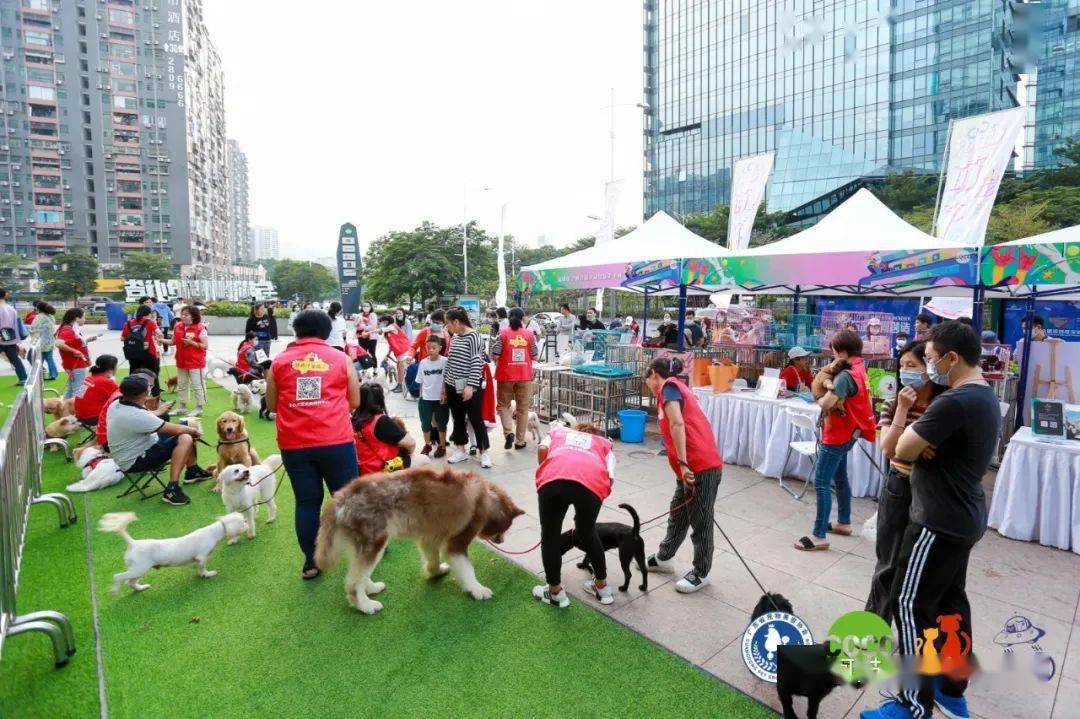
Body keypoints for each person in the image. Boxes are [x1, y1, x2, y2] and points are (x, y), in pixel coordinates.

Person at [862, 322, 1001, 719]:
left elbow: (901, 448)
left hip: (937, 519)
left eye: (929, 358)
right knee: (949, 604)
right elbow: (905, 448)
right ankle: (951, 687)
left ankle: (911, 704)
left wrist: (918, 444)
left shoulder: (953, 402)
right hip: (963, 515)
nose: (926, 365)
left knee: (910, 604)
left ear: (951, 358)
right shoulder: (983, 396)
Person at [266, 308, 361, 580]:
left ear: (296, 331)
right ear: (327, 331)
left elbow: (272, 405)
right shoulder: (341, 359)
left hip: (294, 443)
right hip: (336, 440)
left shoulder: (280, 362)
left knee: (307, 502)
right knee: (347, 499)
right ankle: (362, 548)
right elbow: (354, 401)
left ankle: (311, 561)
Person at [865, 341, 942, 623]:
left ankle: (912, 627)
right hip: (899, 485)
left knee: (920, 566)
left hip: (932, 492)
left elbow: (942, 450)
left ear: (929, 369)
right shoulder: (892, 401)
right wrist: (902, 410)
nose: (906, 372)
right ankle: (874, 626)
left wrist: (909, 446)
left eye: (913, 366)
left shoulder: (942, 404)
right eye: (902, 367)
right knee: (888, 562)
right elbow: (888, 448)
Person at [643, 356, 724, 593]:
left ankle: (701, 572)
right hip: (688, 468)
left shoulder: (669, 388)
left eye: (647, 379)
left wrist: (683, 462)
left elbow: (677, 424)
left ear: (654, 375)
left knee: (701, 521)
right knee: (678, 512)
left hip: (699, 466)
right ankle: (665, 557)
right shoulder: (678, 388)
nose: (647, 384)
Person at [795, 329, 875, 552]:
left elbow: (827, 403)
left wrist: (819, 396)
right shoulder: (859, 368)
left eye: (832, 352)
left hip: (838, 433)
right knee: (840, 477)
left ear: (841, 352)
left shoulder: (845, 375)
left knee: (821, 482)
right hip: (849, 432)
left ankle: (819, 535)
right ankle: (843, 522)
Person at [532, 423, 616, 608]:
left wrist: (547, 470)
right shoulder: (604, 444)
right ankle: (602, 588)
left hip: (554, 479)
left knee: (550, 534)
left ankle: (555, 592)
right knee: (588, 531)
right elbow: (610, 477)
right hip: (591, 485)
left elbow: (543, 448)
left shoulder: (558, 432)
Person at [106, 375, 211, 506]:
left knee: (186, 428)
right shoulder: (135, 415)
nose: (151, 389)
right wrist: (194, 432)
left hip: (130, 452)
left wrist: (160, 411)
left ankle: (193, 471)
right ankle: (172, 489)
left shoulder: (118, 403)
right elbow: (177, 430)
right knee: (186, 436)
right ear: (143, 393)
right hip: (136, 460)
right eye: (149, 387)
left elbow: (144, 419)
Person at [443, 306, 491, 468]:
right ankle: (460, 450)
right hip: (452, 384)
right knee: (457, 418)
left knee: (476, 419)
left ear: (456, 322)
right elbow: (450, 360)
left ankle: (483, 452)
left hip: (469, 386)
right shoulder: (455, 336)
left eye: (447, 324)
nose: (446, 327)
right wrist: (444, 385)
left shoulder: (474, 337)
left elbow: (476, 362)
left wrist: (470, 386)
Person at [493, 307, 538, 451]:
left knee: (503, 405)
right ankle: (520, 441)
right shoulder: (529, 334)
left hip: (505, 375)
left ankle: (508, 433)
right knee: (523, 409)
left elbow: (495, 354)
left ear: (508, 317)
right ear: (522, 318)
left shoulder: (502, 334)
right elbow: (535, 356)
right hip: (524, 376)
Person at [352, 382, 416, 474]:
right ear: (380, 399)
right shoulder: (380, 420)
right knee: (424, 460)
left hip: (363, 470)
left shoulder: (352, 420)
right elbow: (411, 444)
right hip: (383, 469)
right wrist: (409, 455)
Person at [170, 305, 209, 417]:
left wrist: (192, 343)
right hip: (181, 361)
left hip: (196, 362)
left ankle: (199, 407)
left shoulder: (200, 328)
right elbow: (172, 342)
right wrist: (160, 340)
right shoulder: (178, 326)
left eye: (186, 315)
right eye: (182, 314)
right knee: (182, 384)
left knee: (198, 385)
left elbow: (205, 346)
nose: (183, 316)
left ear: (193, 316)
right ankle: (182, 407)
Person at [417, 336, 450, 457]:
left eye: (434, 348)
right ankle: (428, 445)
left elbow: (448, 380)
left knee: (442, 424)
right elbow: (420, 381)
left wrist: (445, 394)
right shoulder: (423, 362)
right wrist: (421, 396)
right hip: (426, 399)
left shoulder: (445, 361)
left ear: (440, 348)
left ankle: (442, 446)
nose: (431, 350)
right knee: (425, 424)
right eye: (428, 347)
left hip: (440, 399)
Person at [121, 305, 162, 397]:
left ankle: (132, 396)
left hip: (133, 354)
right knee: (153, 375)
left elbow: (122, 338)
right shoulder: (150, 322)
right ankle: (155, 397)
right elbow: (159, 333)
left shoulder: (128, 323)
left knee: (134, 375)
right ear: (148, 314)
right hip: (149, 353)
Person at [57, 308, 97, 399]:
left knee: (72, 389)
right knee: (79, 390)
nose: (84, 320)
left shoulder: (71, 329)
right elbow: (58, 343)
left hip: (75, 364)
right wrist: (74, 351)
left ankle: (64, 409)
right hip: (76, 364)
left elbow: (74, 343)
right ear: (76, 318)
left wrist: (87, 340)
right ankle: (75, 410)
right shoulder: (68, 329)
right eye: (83, 317)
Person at [74, 355, 120, 427]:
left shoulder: (89, 378)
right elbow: (123, 397)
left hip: (79, 415)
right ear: (111, 369)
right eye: (116, 366)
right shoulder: (105, 381)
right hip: (92, 417)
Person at [379, 313, 412, 394]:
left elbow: (381, 330)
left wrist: (369, 332)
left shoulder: (392, 326)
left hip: (404, 349)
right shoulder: (389, 330)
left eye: (382, 322)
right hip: (399, 351)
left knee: (400, 368)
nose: (381, 324)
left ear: (386, 321)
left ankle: (400, 386)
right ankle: (399, 384)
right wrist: (388, 354)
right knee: (398, 367)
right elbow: (391, 344)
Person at [0, 288, 27, 385]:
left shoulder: (3, 308)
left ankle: (23, 377)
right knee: (14, 358)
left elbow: (5, 325)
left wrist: (3, 337)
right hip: (10, 339)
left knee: (14, 358)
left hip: (4, 339)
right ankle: (23, 377)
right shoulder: (10, 308)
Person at [30, 302, 58, 380]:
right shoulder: (51, 317)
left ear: (38, 309)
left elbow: (32, 329)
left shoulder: (38, 317)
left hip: (40, 342)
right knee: (49, 359)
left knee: (38, 359)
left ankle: (38, 375)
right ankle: (53, 374)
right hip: (50, 341)